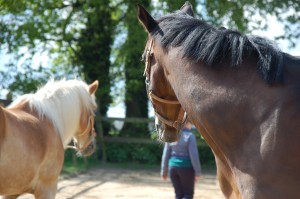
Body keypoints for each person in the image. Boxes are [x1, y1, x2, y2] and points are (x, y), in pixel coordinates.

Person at [161, 121, 202, 199]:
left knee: (178, 195)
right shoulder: (190, 136)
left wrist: (164, 171)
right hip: (186, 168)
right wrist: (197, 172)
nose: (191, 126)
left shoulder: (171, 135)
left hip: (172, 168)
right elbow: (194, 156)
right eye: (191, 124)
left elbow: (165, 154)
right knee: (188, 194)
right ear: (186, 124)